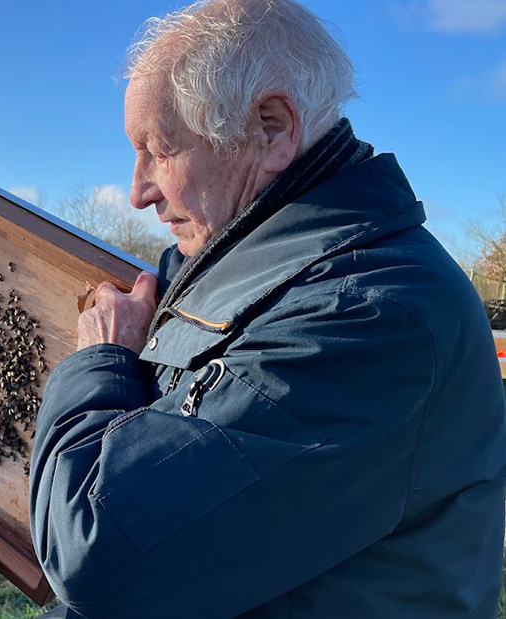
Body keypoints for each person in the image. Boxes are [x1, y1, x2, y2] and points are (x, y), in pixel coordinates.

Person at [28, 0, 506, 617]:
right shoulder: (239, 266)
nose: (137, 191)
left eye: (159, 148)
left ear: (272, 127)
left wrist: (99, 362)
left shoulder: (367, 314)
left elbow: (96, 550)